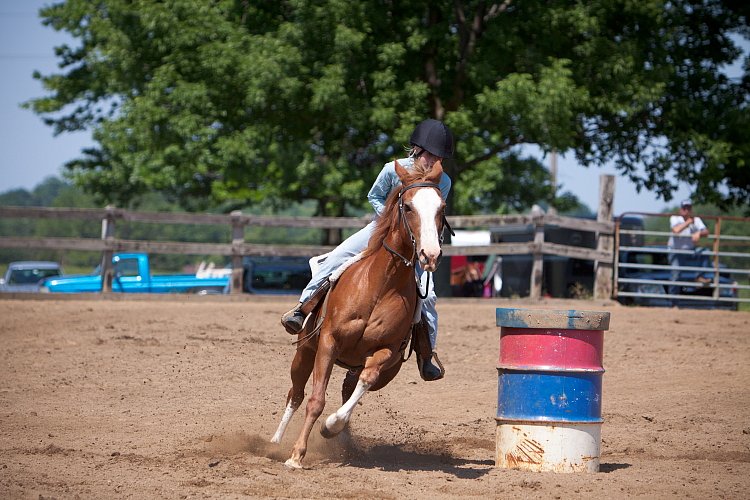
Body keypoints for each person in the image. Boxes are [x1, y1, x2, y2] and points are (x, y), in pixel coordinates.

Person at [280, 119, 455, 381]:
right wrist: (388, 219)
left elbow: (431, 213)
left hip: (415, 239)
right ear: (417, 149)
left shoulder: (445, 182)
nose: (434, 161)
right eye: (431, 154)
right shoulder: (391, 169)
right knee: (338, 256)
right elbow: (374, 196)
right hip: (380, 228)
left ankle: (426, 354)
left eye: (439, 156)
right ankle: (302, 308)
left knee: (428, 295)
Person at [667, 199, 709, 297]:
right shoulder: (675, 218)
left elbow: (706, 232)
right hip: (675, 251)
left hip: (690, 251)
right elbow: (676, 230)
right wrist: (689, 222)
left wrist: (699, 233)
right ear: (680, 210)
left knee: (705, 252)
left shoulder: (697, 220)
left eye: (689, 208)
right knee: (676, 275)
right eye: (684, 208)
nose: (687, 210)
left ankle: (699, 276)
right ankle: (673, 302)